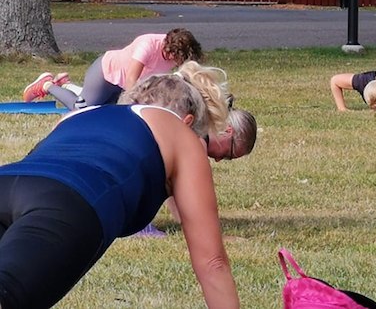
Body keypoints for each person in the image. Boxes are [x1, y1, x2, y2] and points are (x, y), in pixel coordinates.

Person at [0, 72, 240, 309]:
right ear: (188, 121)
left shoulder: (78, 115)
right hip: (70, 200)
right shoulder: (181, 134)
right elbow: (212, 262)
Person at [23, 28, 203, 109]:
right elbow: (132, 79)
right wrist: (137, 104)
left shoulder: (175, 54)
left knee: (104, 113)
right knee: (83, 110)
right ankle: (47, 85)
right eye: (178, 58)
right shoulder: (148, 45)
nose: (178, 63)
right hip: (105, 74)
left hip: (122, 85)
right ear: (170, 51)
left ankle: (66, 83)